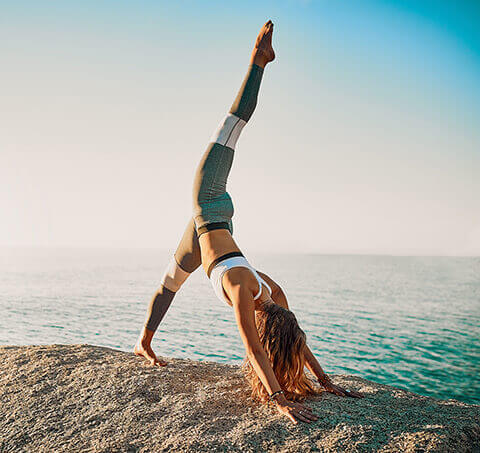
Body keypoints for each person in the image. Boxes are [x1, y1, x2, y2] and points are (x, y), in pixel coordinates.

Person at [134, 20, 364, 424]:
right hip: (211, 206)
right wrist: (280, 398)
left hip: (202, 234)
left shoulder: (254, 290)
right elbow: (269, 345)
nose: (276, 310)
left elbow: (278, 345)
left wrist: (322, 380)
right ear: (272, 317)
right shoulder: (265, 291)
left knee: (168, 285)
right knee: (231, 126)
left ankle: (143, 343)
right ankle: (259, 62)